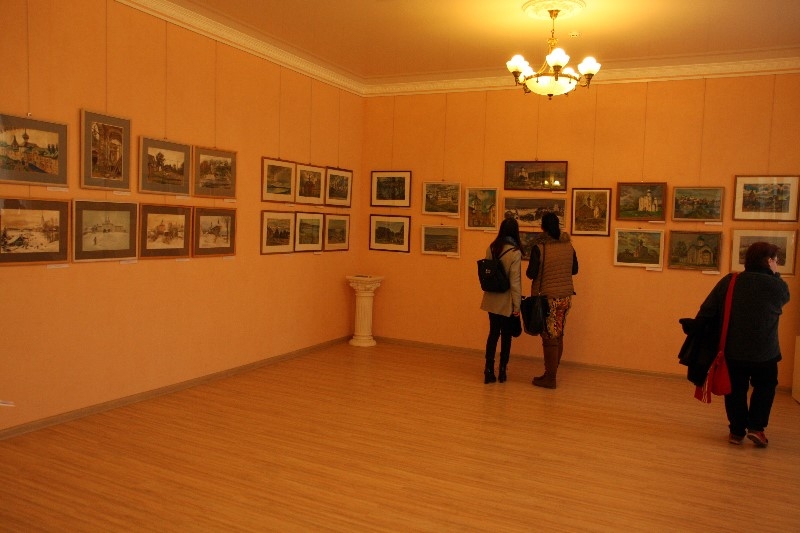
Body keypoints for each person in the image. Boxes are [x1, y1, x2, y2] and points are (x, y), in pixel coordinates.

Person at [695, 241, 790, 447]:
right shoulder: (777, 286)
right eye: (775, 260)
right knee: (765, 387)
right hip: (765, 351)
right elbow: (784, 299)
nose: (777, 264)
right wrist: (775, 275)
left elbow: (707, 308)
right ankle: (756, 428)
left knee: (735, 389)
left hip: (733, 349)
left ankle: (736, 431)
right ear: (769, 261)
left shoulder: (730, 281)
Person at [526, 212, 578, 389]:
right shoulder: (568, 246)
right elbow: (575, 269)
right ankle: (551, 372)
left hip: (547, 298)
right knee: (559, 334)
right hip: (566, 296)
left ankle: (550, 378)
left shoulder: (540, 247)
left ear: (543, 227)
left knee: (549, 338)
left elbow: (531, 273)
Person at [480, 217, 522, 384]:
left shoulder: (492, 247)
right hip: (506, 300)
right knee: (506, 335)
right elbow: (515, 282)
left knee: (493, 333)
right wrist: (517, 305)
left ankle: (488, 369)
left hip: (492, 297)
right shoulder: (515, 252)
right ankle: (503, 370)